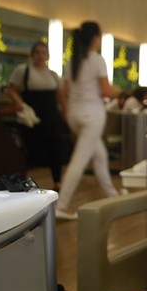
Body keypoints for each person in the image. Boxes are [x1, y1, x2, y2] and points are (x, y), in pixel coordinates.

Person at [55, 21, 120, 220]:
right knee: (79, 160)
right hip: (92, 115)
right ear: (94, 38)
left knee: (99, 154)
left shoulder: (71, 62)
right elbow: (107, 90)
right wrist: (119, 91)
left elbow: (62, 92)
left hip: (75, 114)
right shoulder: (97, 60)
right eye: (99, 37)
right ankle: (60, 205)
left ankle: (112, 194)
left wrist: (67, 113)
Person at [7, 41, 68, 191]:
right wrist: (19, 102)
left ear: (47, 56)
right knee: (31, 148)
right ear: (32, 55)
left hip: (51, 116)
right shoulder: (23, 71)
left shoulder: (52, 75)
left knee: (55, 147)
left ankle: (57, 180)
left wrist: (66, 114)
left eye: (43, 53)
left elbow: (60, 97)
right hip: (32, 117)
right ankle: (27, 182)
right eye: (37, 52)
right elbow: (11, 90)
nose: (40, 56)